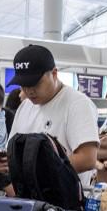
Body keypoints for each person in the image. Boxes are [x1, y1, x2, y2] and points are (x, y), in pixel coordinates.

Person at [8, 44, 99, 185]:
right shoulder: (25, 106)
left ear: (54, 73)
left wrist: (38, 170)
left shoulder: (77, 104)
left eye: (35, 83)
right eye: (24, 85)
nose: (29, 90)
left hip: (64, 202)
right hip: (28, 198)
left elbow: (87, 159)